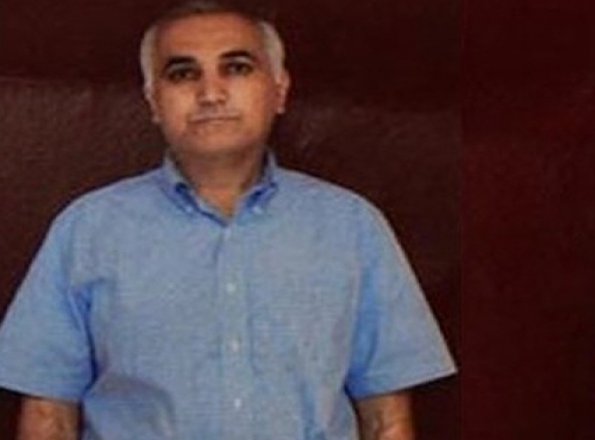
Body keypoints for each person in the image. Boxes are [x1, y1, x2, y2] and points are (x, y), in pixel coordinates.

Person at [0, 1, 455, 439]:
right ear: (154, 101)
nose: (211, 93)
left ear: (279, 90)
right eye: (183, 73)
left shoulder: (352, 227)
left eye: (236, 67)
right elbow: (48, 418)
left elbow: (386, 420)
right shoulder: (87, 230)